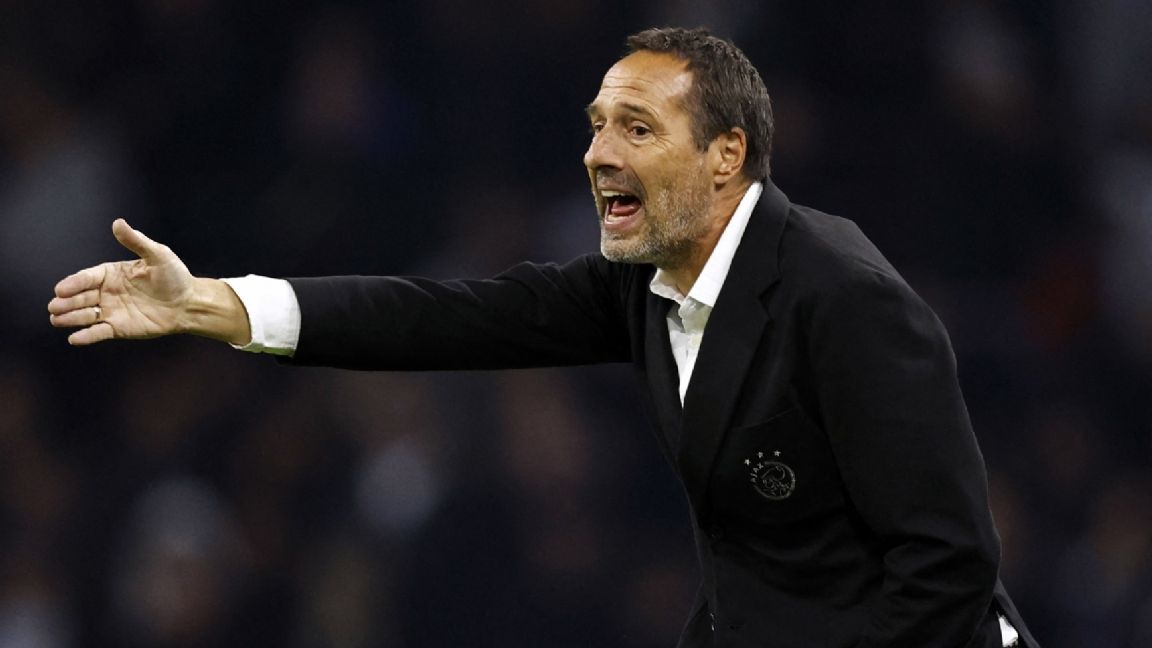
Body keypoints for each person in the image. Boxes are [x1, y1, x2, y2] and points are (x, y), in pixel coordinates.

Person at [49, 27, 1038, 648]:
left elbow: (948, 572)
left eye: (636, 129)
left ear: (726, 155)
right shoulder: (642, 287)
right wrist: (216, 304)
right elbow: (442, 318)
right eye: (598, 125)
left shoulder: (850, 303)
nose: (598, 153)